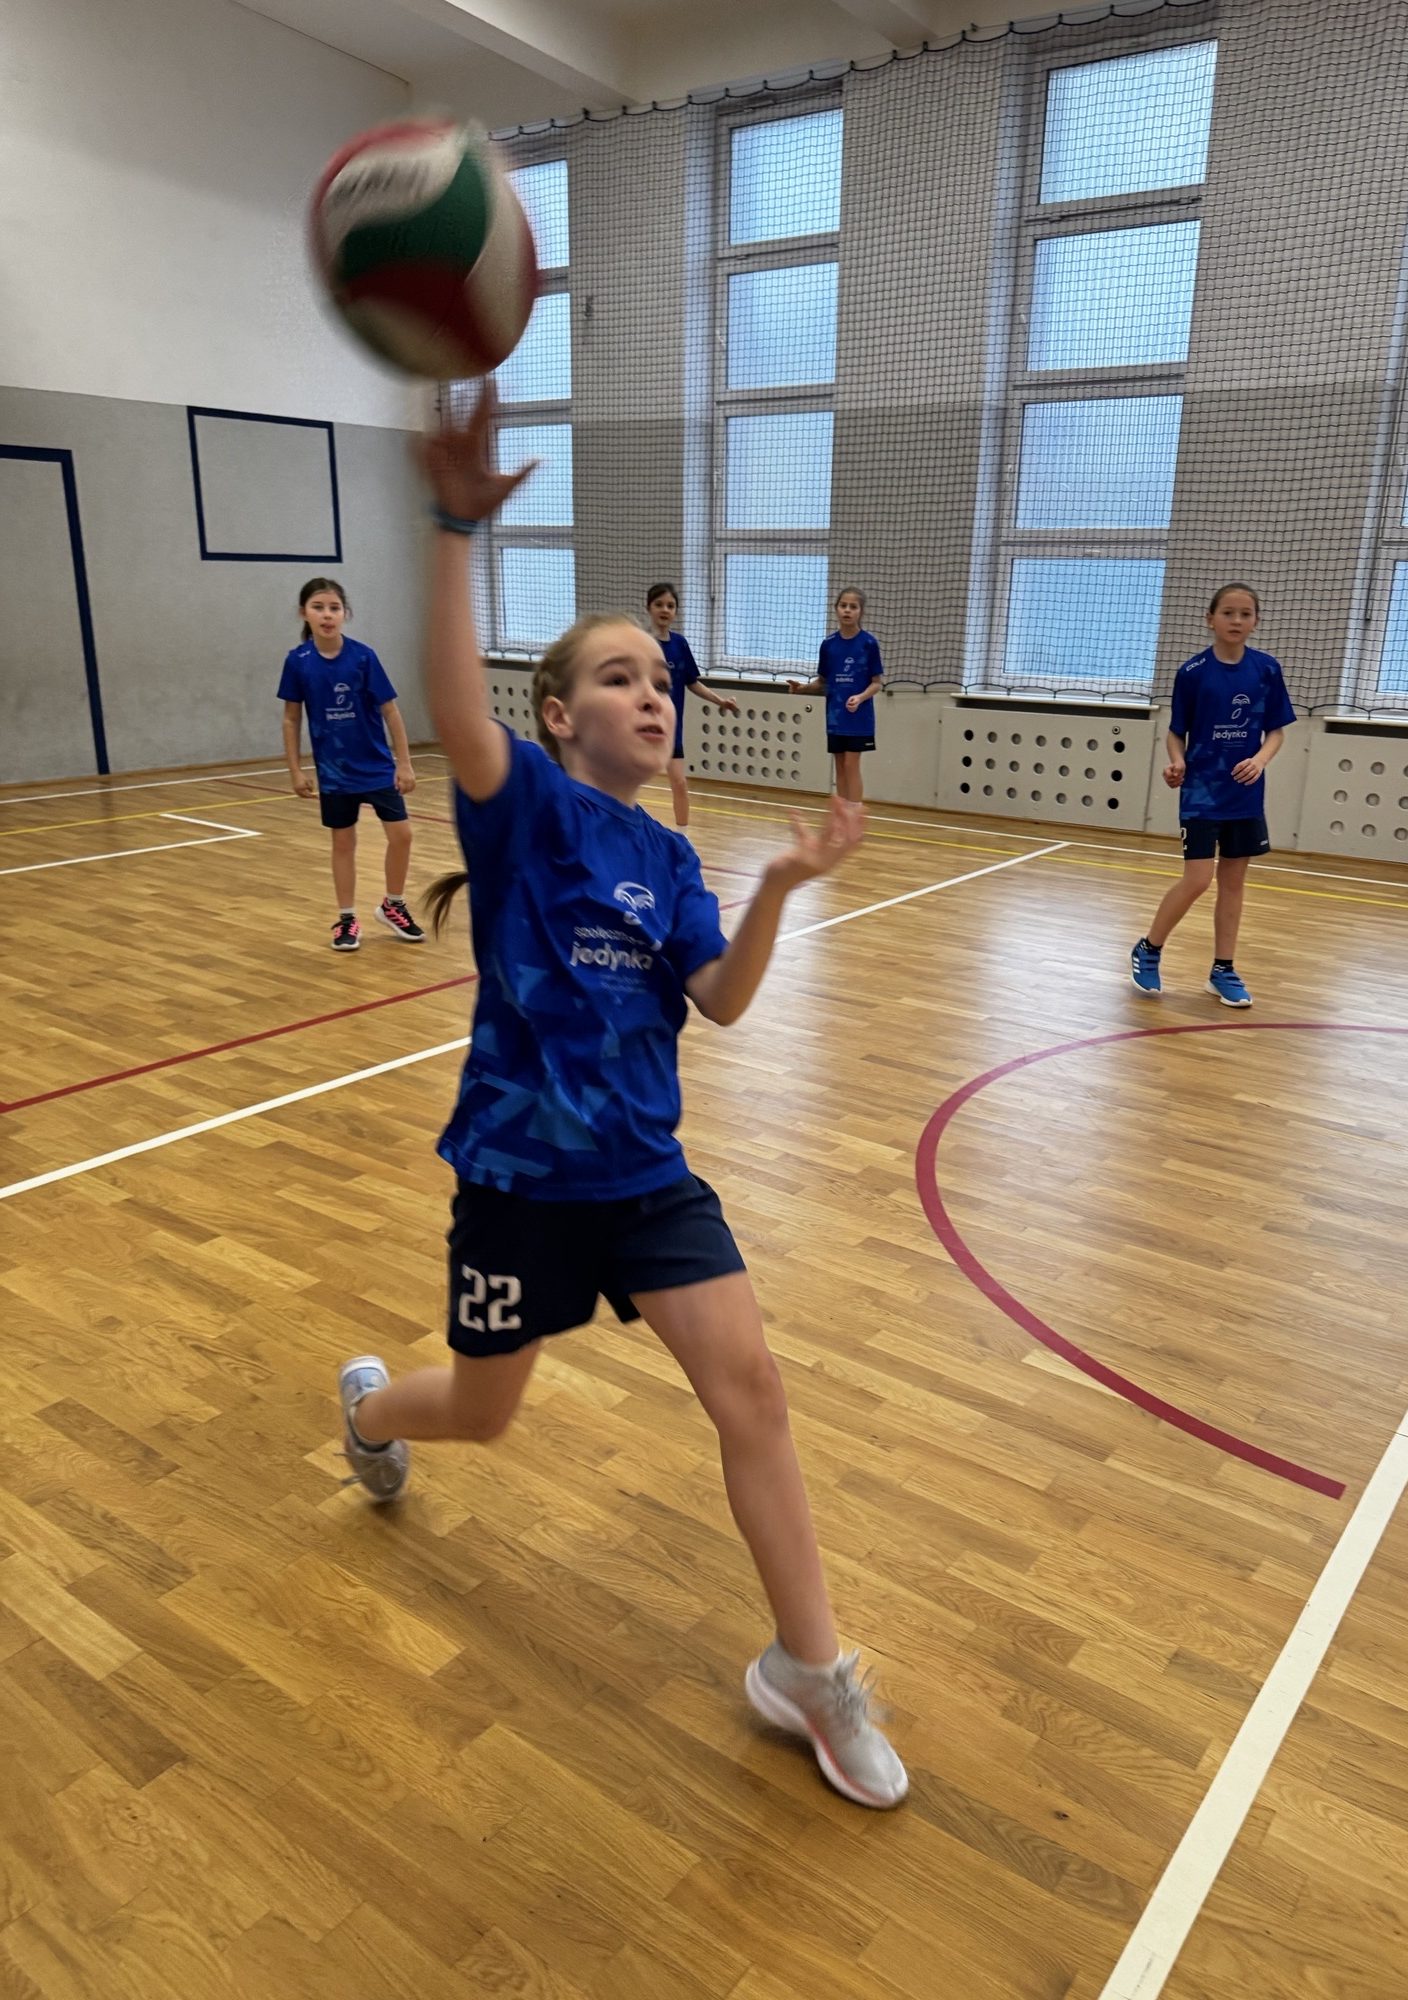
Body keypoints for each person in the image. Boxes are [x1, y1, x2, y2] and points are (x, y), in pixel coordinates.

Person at [336, 390, 908, 1812]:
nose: (652, 693)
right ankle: (373, 1413)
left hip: (647, 1180)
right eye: (617, 675)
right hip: (519, 1183)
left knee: (754, 1389)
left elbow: (722, 1002)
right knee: (485, 1412)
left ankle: (809, 1669)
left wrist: (776, 889)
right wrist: (454, 527)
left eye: (659, 677)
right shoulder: (523, 804)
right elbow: (451, 705)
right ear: (558, 714)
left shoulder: (672, 859)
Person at [1130, 584, 1296, 1007]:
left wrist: (1260, 760)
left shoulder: (1266, 669)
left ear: (1256, 620)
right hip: (1202, 793)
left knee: (1234, 882)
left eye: (1245, 613)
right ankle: (1149, 948)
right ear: (1211, 619)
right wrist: (1177, 762)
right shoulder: (1193, 673)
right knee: (1199, 879)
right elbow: (1175, 733)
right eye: (1228, 613)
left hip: (1244, 795)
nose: (1236, 620)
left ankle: (1223, 970)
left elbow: (1276, 732)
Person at [279, 578, 425, 950]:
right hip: (334, 773)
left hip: (376, 766)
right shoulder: (298, 662)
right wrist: (296, 770)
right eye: (318, 607)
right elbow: (292, 719)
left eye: (334, 608)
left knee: (402, 835)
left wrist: (404, 763)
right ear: (304, 613)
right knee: (343, 842)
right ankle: (346, 919)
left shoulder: (363, 657)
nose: (327, 615)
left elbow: (390, 711)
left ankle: (393, 905)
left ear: (345, 614)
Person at [645, 583, 740, 827]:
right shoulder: (641, 645)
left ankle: (682, 837)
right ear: (649, 608)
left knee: (679, 783)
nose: (665, 610)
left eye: (670, 605)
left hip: (671, 729)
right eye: (659, 604)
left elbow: (692, 682)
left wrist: (720, 701)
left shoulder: (680, 644)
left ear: (676, 611)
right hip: (643, 725)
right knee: (628, 781)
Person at [786, 588, 884, 803]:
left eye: (853, 607)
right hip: (835, 717)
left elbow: (877, 683)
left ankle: (854, 812)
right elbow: (823, 682)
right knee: (839, 765)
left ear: (861, 611)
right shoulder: (828, 645)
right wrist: (802, 689)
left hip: (859, 718)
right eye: (843, 605)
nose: (847, 610)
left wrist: (860, 697)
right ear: (836, 609)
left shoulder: (868, 644)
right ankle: (843, 811)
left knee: (851, 764)